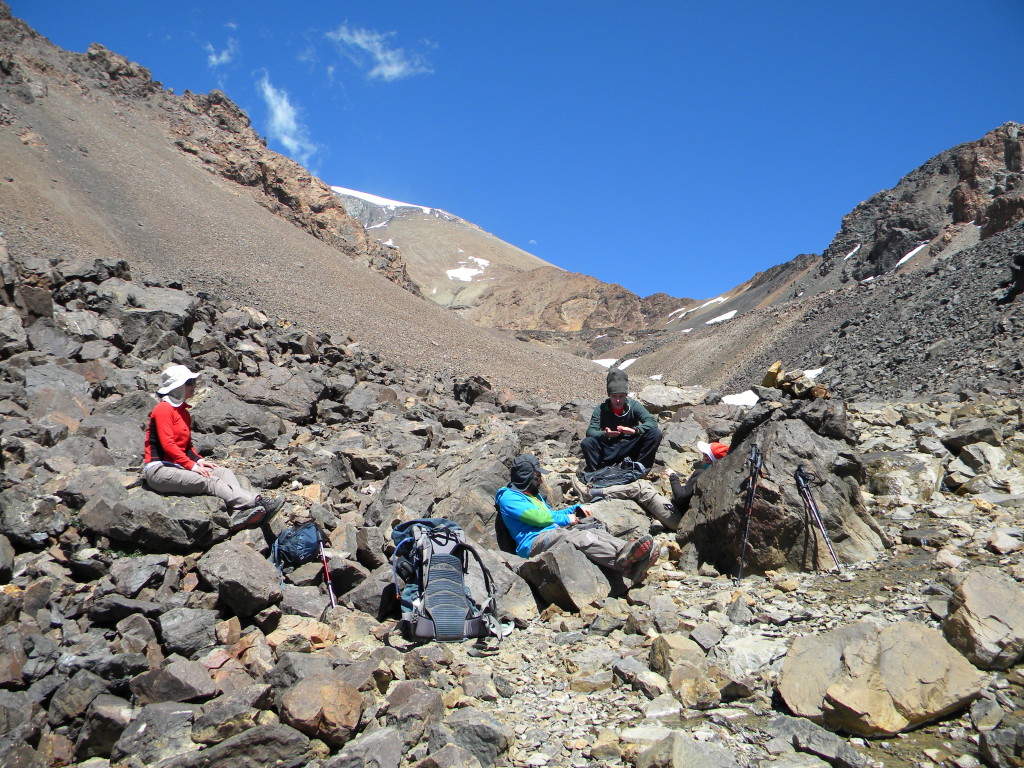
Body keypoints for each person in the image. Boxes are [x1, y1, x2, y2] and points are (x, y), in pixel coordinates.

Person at [143, 364, 282, 532]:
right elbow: (168, 444)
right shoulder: (164, 409)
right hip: (159, 470)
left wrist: (200, 461)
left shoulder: (183, 413)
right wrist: (192, 466)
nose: (194, 386)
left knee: (224, 472)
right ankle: (256, 501)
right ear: (178, 387)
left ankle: (237, 512)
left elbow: (187, 448)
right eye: (190, 382)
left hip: (178, 466)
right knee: (209, 481)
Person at [495, 454, 657, 582]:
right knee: (572, 536)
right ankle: (623, 563)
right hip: (532, 543)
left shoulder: (532, 495)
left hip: (550, 533)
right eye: (537, 477)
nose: (540, 480)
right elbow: (539, 519)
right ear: (526, 477)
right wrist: (567, 519)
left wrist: (575, 510)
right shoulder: (509, 498)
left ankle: (627, 551)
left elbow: (552, 514)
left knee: (592, 528)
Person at [581, 368, 662, 474]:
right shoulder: (601, 409)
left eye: (621, 396)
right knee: (587, 443)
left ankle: (640, 468)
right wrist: (605, 434)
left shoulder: (634, 405)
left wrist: (635, 430)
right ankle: (599, 473)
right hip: (610, 448)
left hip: (631, 446)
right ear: (609, 395)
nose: (618, 400)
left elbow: (652, 422)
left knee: (655, 433)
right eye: (614, 396)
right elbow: (590, 432)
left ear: (626, 395)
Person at [665, 440, 729, 514]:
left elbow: (680, 497)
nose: (702, 456)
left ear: (708, 459)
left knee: (648, 493)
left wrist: (673, 476)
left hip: (679, 515)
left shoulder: (702, 474)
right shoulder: (721, 477)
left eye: (704, 454)